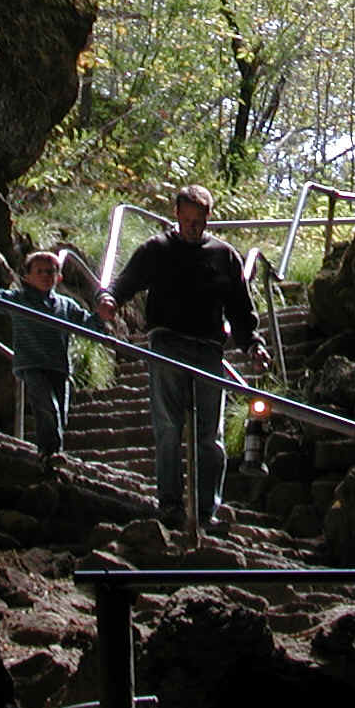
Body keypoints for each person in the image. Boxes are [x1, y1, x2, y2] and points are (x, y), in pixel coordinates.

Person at [97, 184, 269, 528]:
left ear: (208, 218)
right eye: (187, 219)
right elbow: (126, 281)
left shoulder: (224, 255)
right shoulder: (157, 249)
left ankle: (206, 510)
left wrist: (252, 344)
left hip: (207, 347)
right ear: (176, 215)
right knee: (169, 428)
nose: (193, 226)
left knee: (209, 434)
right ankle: (171, 505)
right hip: (167, 342)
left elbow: (239, 308)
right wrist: (109, 298)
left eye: (199, 220)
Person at [0, 250, 105, 468]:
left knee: (60, 414)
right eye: (40, 272)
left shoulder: (65, 305)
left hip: (59, 367)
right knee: (47, 406)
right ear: (27, 276)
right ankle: (50, 452)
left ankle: (53, 454)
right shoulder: (19, 299)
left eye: (51, 272)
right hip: (32, 364)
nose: (46, 276)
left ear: (59, 277)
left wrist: (102, 316)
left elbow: (89, 324)